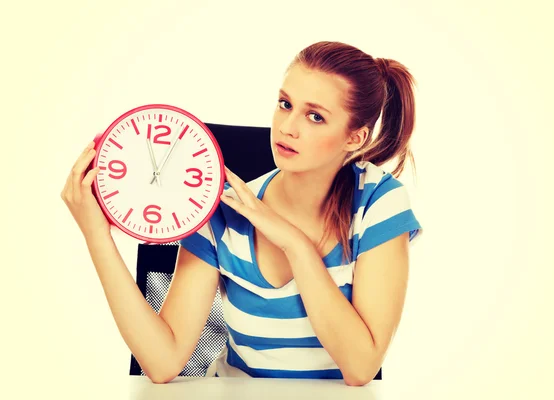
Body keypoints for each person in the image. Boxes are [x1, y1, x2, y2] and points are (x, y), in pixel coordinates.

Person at [61, 41, 423, 386]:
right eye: (284, 104)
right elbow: (162, 361)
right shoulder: (222, 208)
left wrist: (294, 244)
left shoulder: (378, 202)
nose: (287, 127)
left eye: (315, 116)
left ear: (354, 139)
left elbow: (360, 367)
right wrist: (96, 235)